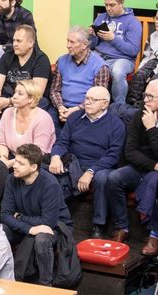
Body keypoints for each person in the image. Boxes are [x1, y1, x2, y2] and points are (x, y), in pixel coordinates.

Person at [48, 87, 124, 238]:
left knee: (102, 178)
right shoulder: (75, 117)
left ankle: (98, 225)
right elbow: (62, 142)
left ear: (104, 104)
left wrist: (91, 171)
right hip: (74, 162)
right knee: (51, 172)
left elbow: (113, 155)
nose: (87, 103)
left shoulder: (116, 124)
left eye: (93, 100)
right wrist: (55, 157)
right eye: (86, 98)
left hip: (101, 165)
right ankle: (54, 220)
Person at [1, 144, 73, 286]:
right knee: (0, 230)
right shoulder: (11, 179)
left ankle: (46, 285)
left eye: (20, 163)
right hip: (30, 225)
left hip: (56, 227)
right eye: (15, 161)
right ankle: (5, 278)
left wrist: (20, 217)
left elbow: (48, 222)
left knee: (42, 239)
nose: (14, 166)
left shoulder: (50, 184)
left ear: (33, 167)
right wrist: (29, 229)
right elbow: (5, 215)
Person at [107, 79, 158, 253]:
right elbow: (130, 151)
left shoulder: (149, 121)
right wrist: (153, 165)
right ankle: (122, 227)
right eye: (145, 95)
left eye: (151, 96)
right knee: (114, 178)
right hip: (145, 166)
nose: (146, 100)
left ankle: (154, 235)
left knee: (155, 182)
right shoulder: (139, 114)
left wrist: (151, 129)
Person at [0, 25, 51, 136]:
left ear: (31, 43)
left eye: (19, 41)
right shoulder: (7, 56)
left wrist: (9, 102)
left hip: (29, 98)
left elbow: (37, 93)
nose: (14, 44)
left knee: (12, 108)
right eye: (14, 40)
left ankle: (6, 139)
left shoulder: (41, 60)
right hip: (7, 94)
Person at [49, 27, 110, 136]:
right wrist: (60, 107)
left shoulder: (100, 66)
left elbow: (98, 99)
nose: (68, 45)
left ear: (85, 44)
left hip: (86, 109)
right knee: (47, 120)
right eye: (67, 41)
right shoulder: (61, 61)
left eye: (72, 42)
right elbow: (55, 90)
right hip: (61, 108)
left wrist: (76, 109)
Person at [90, 0, 142, 103]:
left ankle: (119, 106)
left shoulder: (133, 22)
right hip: (99, 56)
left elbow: (133, 51)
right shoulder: (101, 18)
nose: (108, 8)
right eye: (106, 5)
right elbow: (91, 47)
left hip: (122, 59)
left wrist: (113, 39)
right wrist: (92, 36)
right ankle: (86, 102)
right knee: (82, 61)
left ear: (121, 3)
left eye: (112, 5)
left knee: (118, 72)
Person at [0, 80, 55, 169]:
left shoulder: (43, 119)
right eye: (15, 92)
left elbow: (38, 153)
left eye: (20, 94)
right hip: (11, 158)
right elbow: (1, 142)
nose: (14, 96)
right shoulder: (8, 113)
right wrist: (3, 158)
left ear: (31, 99)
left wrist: (10, 164)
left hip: (36, 163)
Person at [127, 9, 158, 105]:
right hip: (153, 63)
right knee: (139, 75)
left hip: (156, 69)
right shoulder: (153, 36)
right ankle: (134, 104)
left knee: (154, 80)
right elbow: (146, 57)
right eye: (157, 18)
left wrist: (152, 73)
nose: (157, 22)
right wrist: (139, 71)